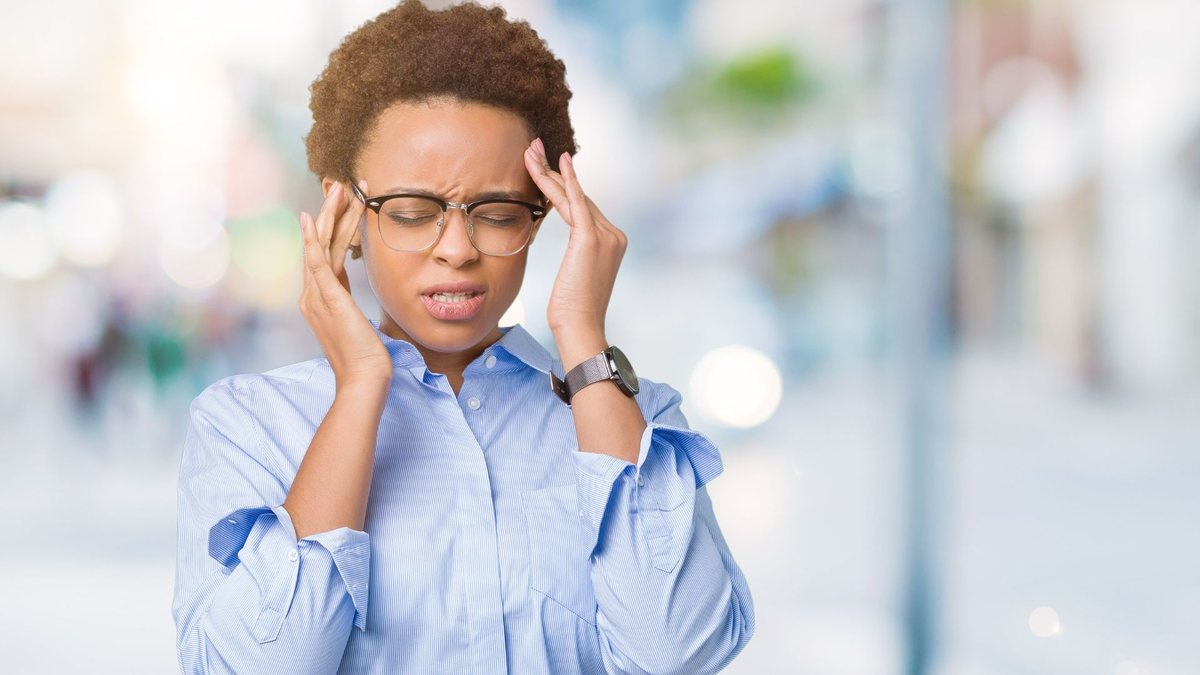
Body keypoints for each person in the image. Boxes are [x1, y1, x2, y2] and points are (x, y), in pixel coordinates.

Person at [171, 1, 755, 673]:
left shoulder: (630, 421)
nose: (456, 249)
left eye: (498, 213)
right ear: (343, 212)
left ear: (543, 217)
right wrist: (361, 387)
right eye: (414, 212)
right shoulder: (248, 425)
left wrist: (585, 343)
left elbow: (675, 655)